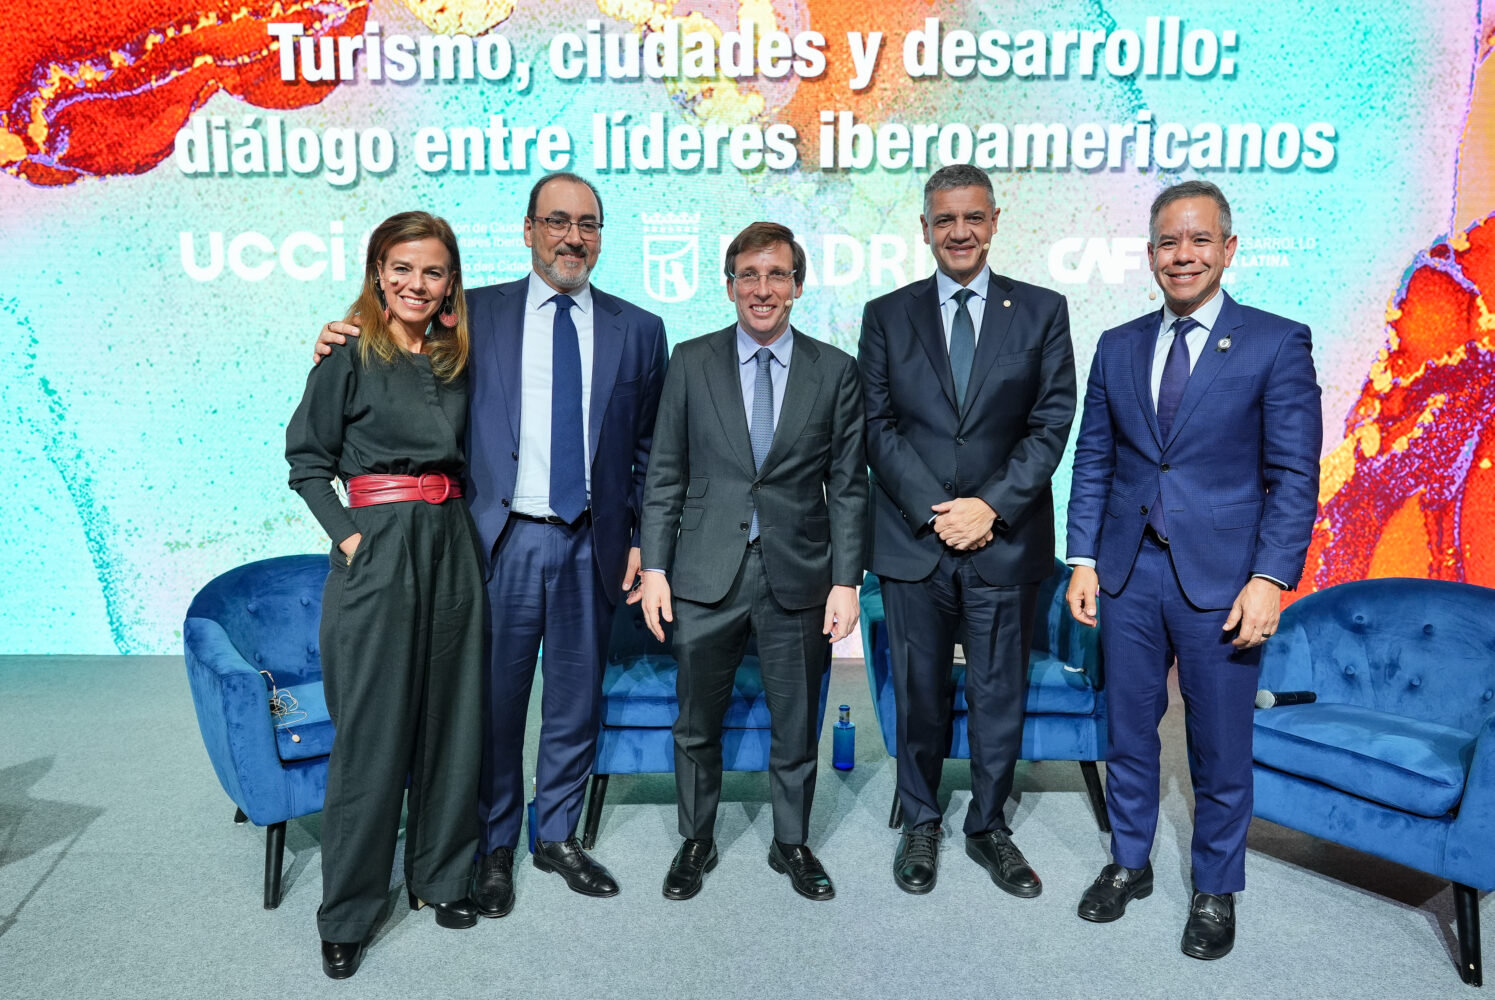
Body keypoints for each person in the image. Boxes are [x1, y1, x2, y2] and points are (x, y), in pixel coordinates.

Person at [314, 173, 668, 910]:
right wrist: (337, 334)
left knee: (575, 703)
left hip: (592, 545)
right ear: (528, 230)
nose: (573, 237)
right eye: (557, 221)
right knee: (492, 706)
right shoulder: (471, 314)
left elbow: (647, 448)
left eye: (588, 224)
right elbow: (400, 352)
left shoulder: (639, 329)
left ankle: (556, 835)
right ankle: (494, 843)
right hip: (495, 543)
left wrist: (637, 534)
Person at [1065, 181, 1322, 960]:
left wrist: (1269, 579)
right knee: (1127, 730)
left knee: (1218, 743)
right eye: (1168, 242)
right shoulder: (1116, 344)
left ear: (1228, 248)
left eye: (1199, 240)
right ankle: (1129, 861)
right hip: (1126, 574)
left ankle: (1214, 886)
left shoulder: (1275, 341)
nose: (1183, 255)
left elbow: (1293, 474)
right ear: (1149, 254)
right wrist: (1083, 559)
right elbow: (1095, 459)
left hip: (1225, 582)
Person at [858, 164, 1076, 898]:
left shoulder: (1041, 310)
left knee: (996, 693)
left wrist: (989, 506)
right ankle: (920, 820)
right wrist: (938, 509)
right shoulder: (886, 314)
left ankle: (988, 826)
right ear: (924, 228)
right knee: (917, 691)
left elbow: (1050, 423)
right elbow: (877, 426)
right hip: (913, 541)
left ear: (994, 222)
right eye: (945, 219)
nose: (959, 232)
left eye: (973, 217)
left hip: (1003, 540)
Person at [637, 221, 866, 901]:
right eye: (748, 276)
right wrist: (655, 569)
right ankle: (696, 839)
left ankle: (791, 841)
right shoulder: (691, 361)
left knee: (795, 724)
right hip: (703, 573)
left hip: (798, 574)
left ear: (797, 286)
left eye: (776, 276)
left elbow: (848, 487)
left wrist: (847, 581)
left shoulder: (835, 370)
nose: (762, 289)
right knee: (695, 723)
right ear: (730, 285)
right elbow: (665, 475)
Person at [288, 211, 484, 980]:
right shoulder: (347, 354)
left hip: (451, 543)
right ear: (377, 271)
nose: (415, 283)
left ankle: (442, 876)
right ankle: (348, 912)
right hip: (377, 545)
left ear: (450, 282)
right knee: (372, 734)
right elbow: (307, 461)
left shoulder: (457, 358)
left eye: (432, 271)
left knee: (451, 721)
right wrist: (350, 539)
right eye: (401, 267)